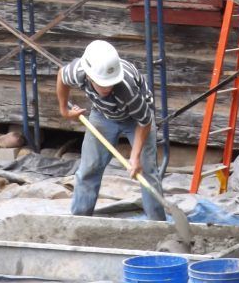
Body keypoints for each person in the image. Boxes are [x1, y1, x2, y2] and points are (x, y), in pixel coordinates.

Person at [56, 40, 166, 221]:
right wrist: (64, 110)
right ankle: (79, 221)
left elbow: (144, 122)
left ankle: (158, 225)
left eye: (110, 83)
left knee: (146, 171)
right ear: (90, 76)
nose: (107, 87)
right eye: (102, 83)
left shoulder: (126, 88)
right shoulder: (78, 72)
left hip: (136, 120)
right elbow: (61, 76)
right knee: (88, 168)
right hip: (102, 114)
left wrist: (135, 156)